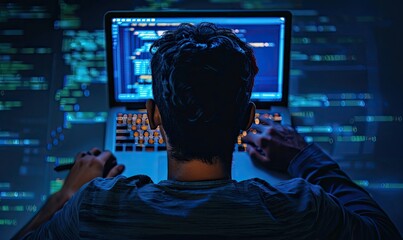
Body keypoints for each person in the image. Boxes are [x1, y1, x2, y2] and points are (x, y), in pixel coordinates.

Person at [13, 23, 401, 239]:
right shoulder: (304, 208)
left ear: (151, 116)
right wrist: (303, 155)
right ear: (249, 118)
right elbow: (383, 232)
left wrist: (64, 196)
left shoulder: (94, 207)